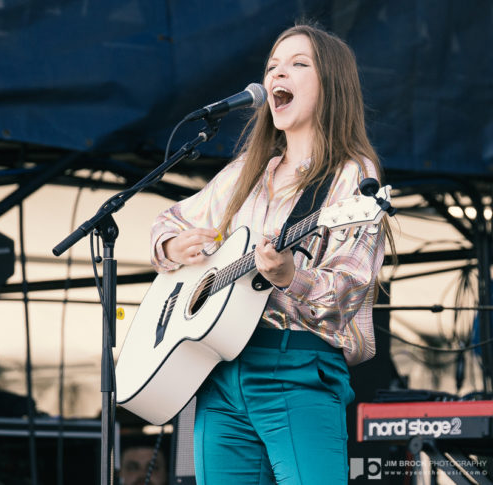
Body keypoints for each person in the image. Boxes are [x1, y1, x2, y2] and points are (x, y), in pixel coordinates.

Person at [149, 22, 393, 484]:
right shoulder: (249, 171)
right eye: (272, 66)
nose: (278, 73)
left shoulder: (353, 175)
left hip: (295, 366)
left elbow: (347, 292)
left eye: (299, 64)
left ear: (332, 86)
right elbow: (169, 220)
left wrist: (289, 275)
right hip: (220, 373)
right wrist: (172, 244)